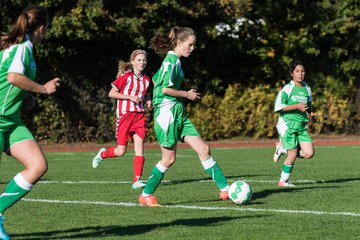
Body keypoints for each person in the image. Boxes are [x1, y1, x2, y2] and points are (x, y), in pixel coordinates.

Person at [138, 26, 230, 207]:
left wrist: (153, 95)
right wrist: (187, 94)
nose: (192, 48)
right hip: (167, 115)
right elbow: (164, 88)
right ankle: (146, 194)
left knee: (204, 149)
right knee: (169, 159)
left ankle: (225, 188)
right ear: (179, 43)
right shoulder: (171, 61)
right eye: (190, 44)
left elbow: (156, 80)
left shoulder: (173, 61)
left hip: (178, 112)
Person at [0, 5, 60, 239]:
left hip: (10, 120)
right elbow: (12, 77)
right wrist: (43, 89)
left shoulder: (18, 46)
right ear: (42, 28)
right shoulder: (23, 47)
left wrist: (25, 98)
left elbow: (12, 80)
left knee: (37, 166)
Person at [92, 49, 151, 190]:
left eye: (144, 60)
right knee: (121, 151)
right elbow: (111, 93)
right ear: (132, 62)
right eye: (139, 60)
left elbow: (146, 94)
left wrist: (148, 100)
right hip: (125, 115)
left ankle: (137, 180)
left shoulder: (147, 80)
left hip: (139, 116)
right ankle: (102, 154)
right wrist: (130, 97)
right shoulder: (125, 77)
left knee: (139, 148)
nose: (142, 62)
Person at [273, 60, 317, 187]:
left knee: (309, 153)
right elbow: (278, 107)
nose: (300, 74)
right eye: (297, 71)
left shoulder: (307, 88)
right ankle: (283, 181)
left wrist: (312, 116)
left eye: (302, 71)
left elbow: (309, 106)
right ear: (291, 73)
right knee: (292, 154)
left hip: (301, 125)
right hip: (287, 124)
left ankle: (283, 148)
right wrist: (296, 106)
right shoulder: (287, 89)